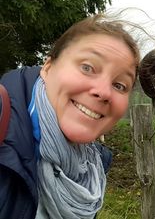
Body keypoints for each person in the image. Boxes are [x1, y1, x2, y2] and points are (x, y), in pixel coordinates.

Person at [0, 14, 141, 219]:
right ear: (47, 68)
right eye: (87, 67)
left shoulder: (92, 169)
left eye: (119, 85)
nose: (103, 92)